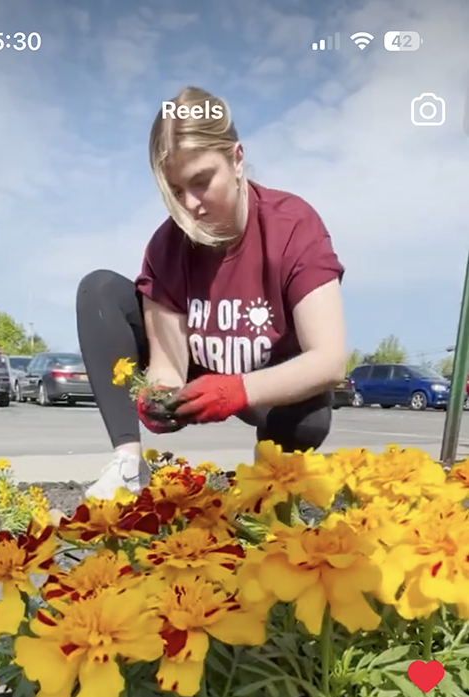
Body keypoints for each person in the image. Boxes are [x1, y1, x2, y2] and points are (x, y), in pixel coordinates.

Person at [76, 86, 348, 501]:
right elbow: (168, 365)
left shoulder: (293, 225)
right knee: (99, 289)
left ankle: (269, 481)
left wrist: (236, 390)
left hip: (266, 381)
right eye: (176, 191)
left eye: (201, 182)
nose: (190, 205)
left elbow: (329, 360)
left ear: (237, 160)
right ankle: (128, 467)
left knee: (310, 416)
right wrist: (160, 397)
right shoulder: (166, 246)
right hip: (199, 374)